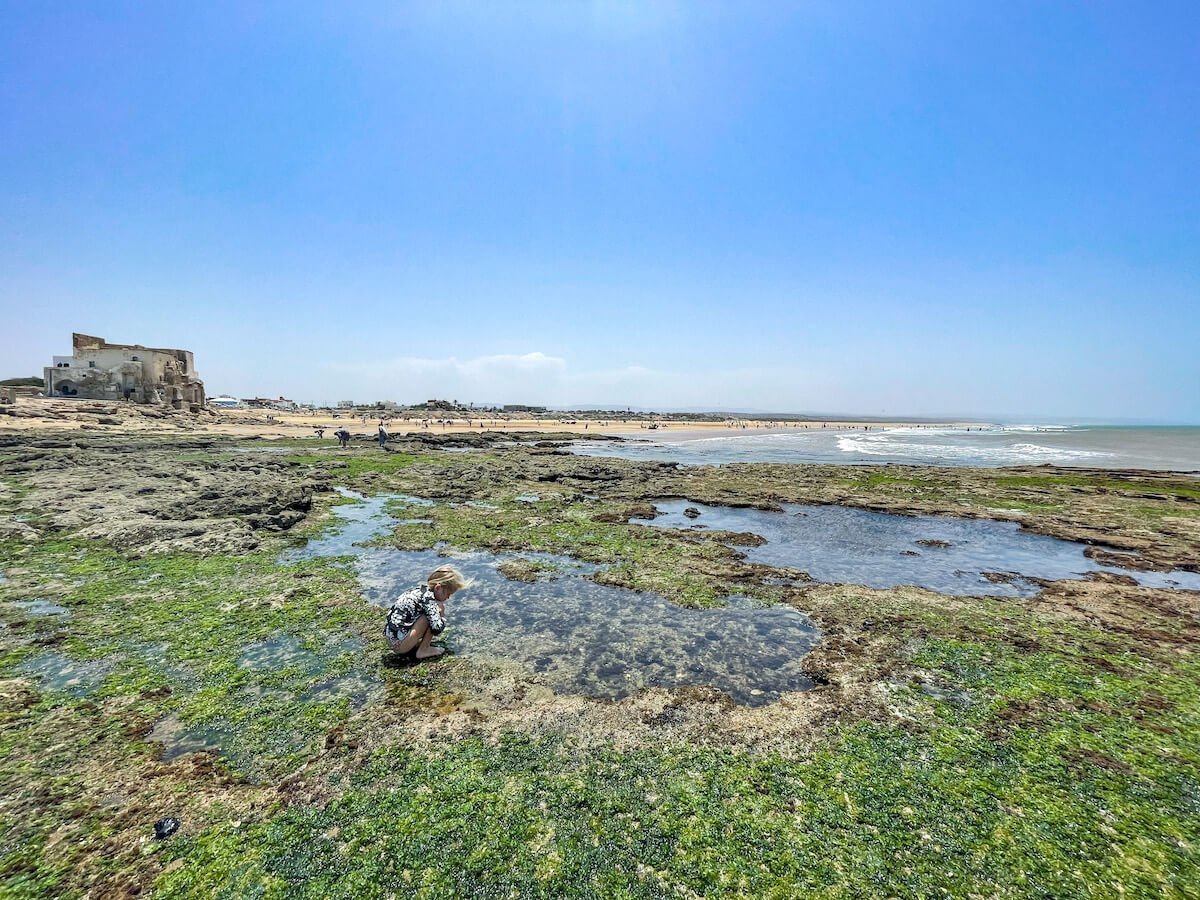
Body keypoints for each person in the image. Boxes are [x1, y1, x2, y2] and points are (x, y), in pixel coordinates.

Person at [384, 566, 468, 659]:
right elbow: (437, 629)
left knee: (427, 615)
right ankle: (423, 650)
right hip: (400, 646)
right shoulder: (429, 601)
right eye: (448, 594)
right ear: (438, 588)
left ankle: (414, 644)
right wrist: (442, 615)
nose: (448, 598)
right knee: (431, 617)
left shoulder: (420, 591)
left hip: (392, 639)